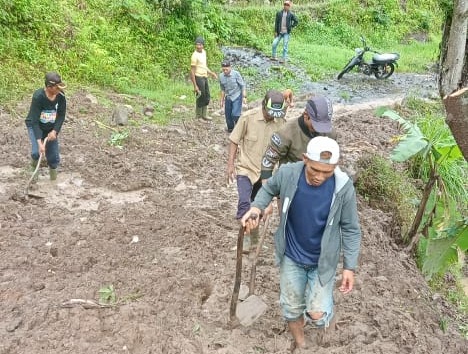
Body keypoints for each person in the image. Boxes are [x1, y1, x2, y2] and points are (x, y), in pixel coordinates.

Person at [241, 136, 361, 352]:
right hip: (292, 256)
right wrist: (257, 207)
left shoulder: (343, 188)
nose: (320, 177)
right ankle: (301, 344)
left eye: (327, 172)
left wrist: (349, 267)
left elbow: (351, 228)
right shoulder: (289, 174)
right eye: (315, 169)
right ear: (305, 159)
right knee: (291, 307)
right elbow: (268, 189)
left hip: (323, 261)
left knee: (317, 314)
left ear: (335, 167)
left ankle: (326, 314)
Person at [227, 89, 288, 251]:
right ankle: (244, 240)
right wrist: (230, 164)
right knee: (244, 203)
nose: (273, 116)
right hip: (245, 169)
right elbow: (234, 140)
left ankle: (253, 239)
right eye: (270, 112)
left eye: (276, 113)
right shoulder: (248, 118)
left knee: (259, 206)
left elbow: (284, 149)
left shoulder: (281, 123)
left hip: (265, 174)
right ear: (263, 106)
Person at [260, 95, 334, 182]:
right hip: (290, 183)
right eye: (317, 124)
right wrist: (268, 190)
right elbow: (268, 162)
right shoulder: (286, 133)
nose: (321, 129)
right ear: (306, 115)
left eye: (324, 124)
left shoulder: (330, 133)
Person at [25, 71, 67, 181]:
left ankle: (53, 179)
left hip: (50, 128)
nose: (59, 90)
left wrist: (55, 131)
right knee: (36, 152)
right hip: (35, 125)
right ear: (49, 87)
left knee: (53, 157)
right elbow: (34, 121)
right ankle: (33, 174)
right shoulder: (38, 97)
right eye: (56, 88)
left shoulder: (61, 96)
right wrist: (40, 143)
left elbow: (61, 115)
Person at [190, 36, 218, 121]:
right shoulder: (194, 56)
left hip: (204, 76)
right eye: (197, 45)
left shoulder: (204, 52)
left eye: (200, 45)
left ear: (203, 45)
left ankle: (204, 115)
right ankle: (198, 116)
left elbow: (204, 66)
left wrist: (211, 73)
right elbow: (192, 71)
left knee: (207, 96)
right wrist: (195, 85)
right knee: (200, 96)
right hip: (198, 76)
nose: (198, 46)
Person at [219, 61, 247, 133]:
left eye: (226, 69)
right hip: (228, 97)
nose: (225, 71)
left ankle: (239, 126)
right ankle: (231, 129)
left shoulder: (236, 74)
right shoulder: (221, 76)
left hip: (237, 95)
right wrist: (221, 101)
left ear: (230, 67)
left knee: (235, 114)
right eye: (223, 70)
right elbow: (222, 89)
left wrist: (244, 97)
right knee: (228, 115)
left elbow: (242, 85)